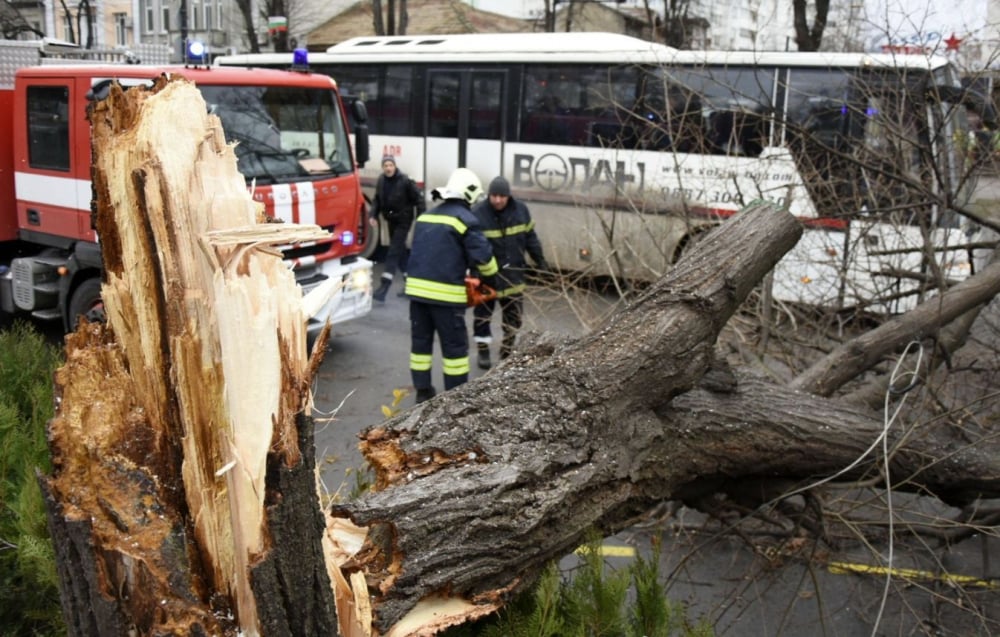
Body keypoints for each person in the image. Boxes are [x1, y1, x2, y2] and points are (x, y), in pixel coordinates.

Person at [405, 168, 498, 403]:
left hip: (416, 295)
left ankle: (423, 391)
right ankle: (455, 398)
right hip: (447, 299)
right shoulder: (466, 220)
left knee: (420, 345)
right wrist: (490, 280)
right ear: (469, 194)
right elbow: (484, 259)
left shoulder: (426, 217)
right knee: (455, 349)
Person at [470, 176, 549, 370]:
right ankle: (483, 351)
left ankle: (506, 352)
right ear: (489, 195)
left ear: (508, 196)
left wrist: (540, 261)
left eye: (502, 196)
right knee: (482, 318)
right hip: (486, 278)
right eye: (494, 196)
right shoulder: (478, 213)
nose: (497, 200)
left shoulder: (521, 211)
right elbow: (470, 246)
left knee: (513, 318)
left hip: (513, 276)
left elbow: (531, 238)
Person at [371, 154, 425, 302]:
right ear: (383, 168)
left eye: (391, 165)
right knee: (400, 253)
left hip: (403, 220)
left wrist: (421, 219)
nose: (388, 168)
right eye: (386, 166)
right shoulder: (382, 181)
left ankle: (384, 287)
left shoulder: (405, 181)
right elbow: (377, 200)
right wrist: (373, 216)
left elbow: (419, 199)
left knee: (393, 251)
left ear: (395, 166)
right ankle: (411, 285)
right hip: (391, 220)